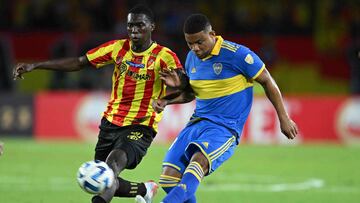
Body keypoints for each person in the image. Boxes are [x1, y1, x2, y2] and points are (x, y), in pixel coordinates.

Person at [13, 5, 183, 203]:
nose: (134, 30)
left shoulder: (165, 57)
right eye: (130, 26)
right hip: (110, 123)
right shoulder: (118, 48)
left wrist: (173, 90)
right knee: (103, 180)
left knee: (110, 169)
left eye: (140, 25)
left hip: (140, 125)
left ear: (152, 26)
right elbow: (79, 62)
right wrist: (36, 65)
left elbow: (186, 89)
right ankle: (145, 189)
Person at [152, 14, 298, 203]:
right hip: (197, 122)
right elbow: (192, 93)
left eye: (199, 42)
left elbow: (267, 81)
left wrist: (283, 117)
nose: (195, 48)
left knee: (198, 162)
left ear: (212, 34)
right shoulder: (191, 59)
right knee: (168, 178)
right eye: (190, 44)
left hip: (224, 127)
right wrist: (166, 100)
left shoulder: (238, 55)